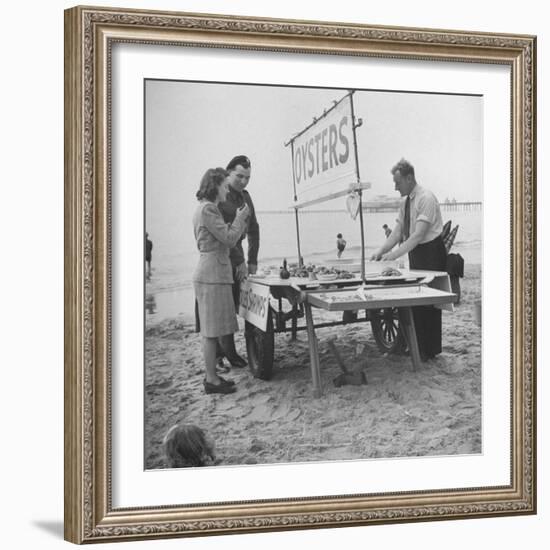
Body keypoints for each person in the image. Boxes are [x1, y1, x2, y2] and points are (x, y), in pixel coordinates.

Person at [371, 159, 445, 360]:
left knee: (429, 303)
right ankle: (417, 346)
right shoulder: (404, 202)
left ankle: (429, 350)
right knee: (416, 299)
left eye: (398, 182)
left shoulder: (426, 198)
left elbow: (418, 235)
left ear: (409, 178)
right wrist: (381, 252)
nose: (395, 187)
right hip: (416, 252)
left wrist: (394, 255)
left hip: (431, 251)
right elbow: (397, 233)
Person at [193, 167, 250, 394]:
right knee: (211, 331)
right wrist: (239, 218)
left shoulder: (205, 209)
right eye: (225, 186)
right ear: (216, 186)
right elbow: (228, 239)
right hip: (212, 275)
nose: (228, 190)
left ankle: (212, 377)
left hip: (211, 273)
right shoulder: (208, 209)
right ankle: (212, 380)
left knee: (211, 330)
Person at [216, 155, 260, 369]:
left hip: (240, 255)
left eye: (247, 178)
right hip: (221, 256)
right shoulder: (220, 196)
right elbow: (224, 235)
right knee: (222, 308)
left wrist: (252, 260)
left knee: (236, 304)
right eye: (239, 176)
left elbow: (254, 229)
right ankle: (225, 354)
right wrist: (240, 261)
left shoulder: (245, 197)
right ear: (228, 172)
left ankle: (230, 352)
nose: (243, 181)